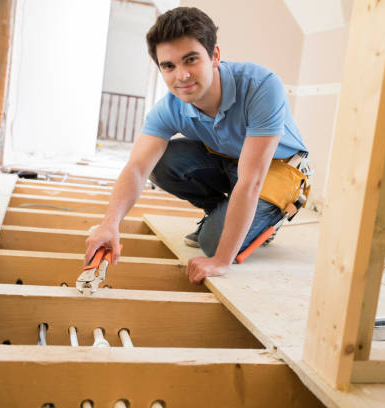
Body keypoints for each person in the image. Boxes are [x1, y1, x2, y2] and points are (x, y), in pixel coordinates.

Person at [85, 6, 308, 284]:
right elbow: (137, 168)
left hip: (276, 169)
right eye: (169, 66)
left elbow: (251, 180)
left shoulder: (260, 86)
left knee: (213, 244)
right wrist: (110, 223)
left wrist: (221, 261)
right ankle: (226, 214)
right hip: (230, 160)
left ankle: (260, 222)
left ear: (214, 56)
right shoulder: (169, 108)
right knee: (162, 162)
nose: (182, 76)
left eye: (191, 60)